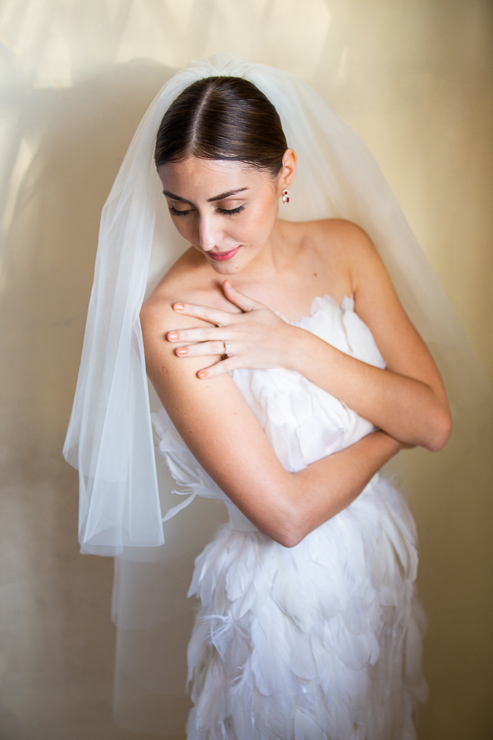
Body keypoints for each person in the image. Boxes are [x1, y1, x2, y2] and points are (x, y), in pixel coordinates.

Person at [64, 55, 486, 739]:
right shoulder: (172, 317)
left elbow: (433, 421)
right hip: (278, 601)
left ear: (284, 174)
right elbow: (285, 516)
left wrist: (295, 348)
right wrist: (391, 421)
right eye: (180, 209)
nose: (207, 237)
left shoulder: (345, 248)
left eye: (230, 206)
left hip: (377, 568)